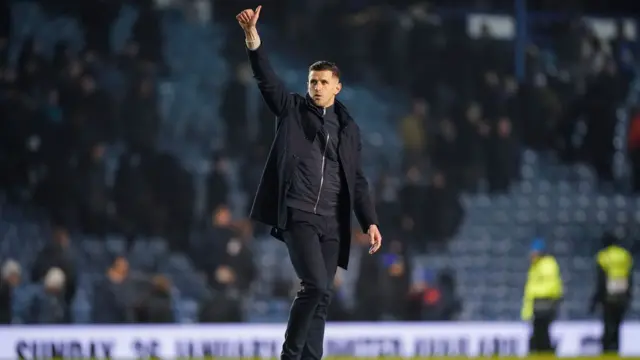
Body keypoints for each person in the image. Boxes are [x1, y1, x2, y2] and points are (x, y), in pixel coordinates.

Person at [236, 6, 382, 360]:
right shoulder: (292, 110)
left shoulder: (349, 129)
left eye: (322, 82)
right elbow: (267, 81)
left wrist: (370, 220)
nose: (316, 87)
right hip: (298, 214)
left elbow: (357, 178)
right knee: (315, 284)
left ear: (337, 87)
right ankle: (290, 355)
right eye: (312, 82)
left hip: (333, 221)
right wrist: (253, 40)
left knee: (323, 296)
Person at [589, 232, 633, 354]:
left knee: (608, 325)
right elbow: (629, 277)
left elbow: (601, 280)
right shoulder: (625, 255)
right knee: (617, 326)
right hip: (622, 295)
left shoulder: (603, 256)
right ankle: (616, 350)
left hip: (608, 297)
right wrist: (629, 295)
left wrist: (596, 299)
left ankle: (607, 351)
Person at [521, 238, 563, 355]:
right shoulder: (535, 266)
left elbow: (553, 287)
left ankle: (546, 353)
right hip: (537, 307)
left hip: (544, 305)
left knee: (542, 335)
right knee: (538, 335)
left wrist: (537, 295)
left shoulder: (547, 264)